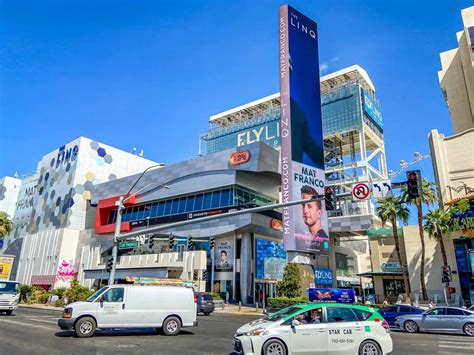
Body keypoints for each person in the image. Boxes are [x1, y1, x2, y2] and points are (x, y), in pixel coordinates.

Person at [301, 185, 328, 252]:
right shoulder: (315, 238)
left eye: (309, 206)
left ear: (319, 213)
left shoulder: (321, 240)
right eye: (303, 205)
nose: (305, 211)